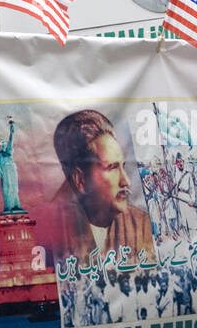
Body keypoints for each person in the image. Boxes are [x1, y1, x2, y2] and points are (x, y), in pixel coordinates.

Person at [44, 110, 156, 271]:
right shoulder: (50, 232)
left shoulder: (142, 225)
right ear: (80, 180)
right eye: (112, 168)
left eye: (122, 166)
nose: (126, 181)